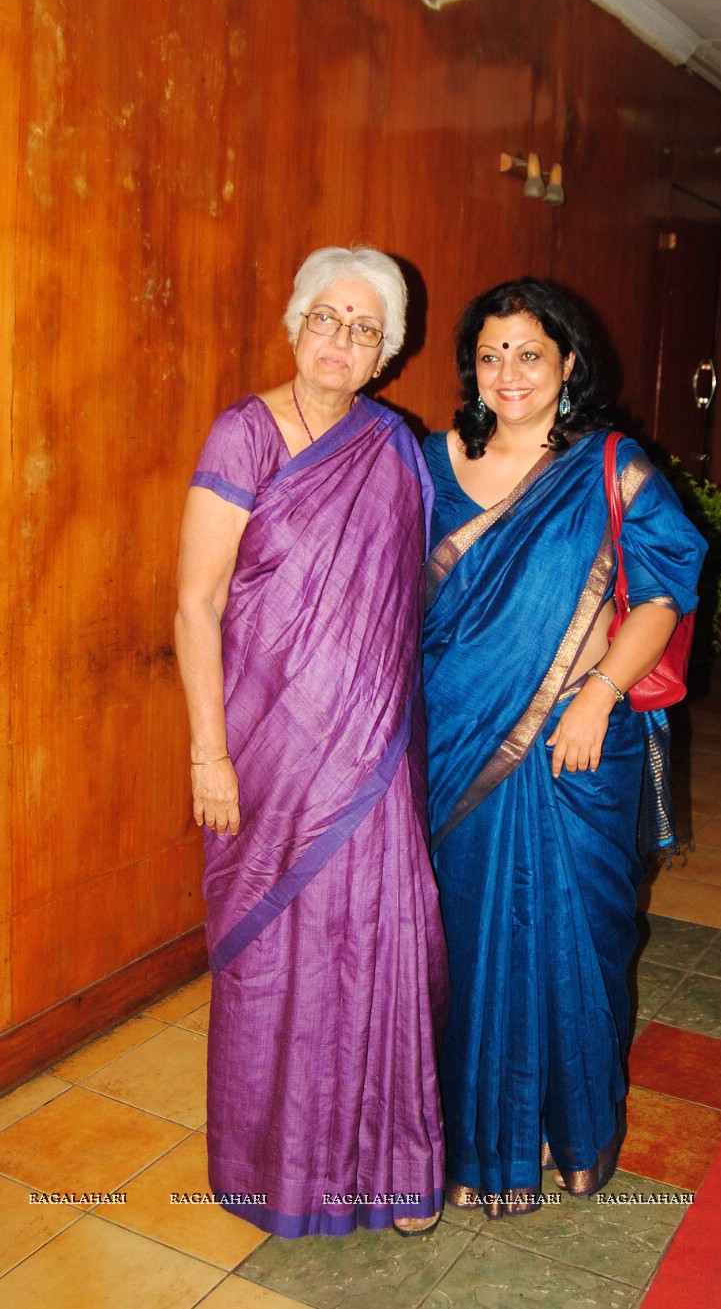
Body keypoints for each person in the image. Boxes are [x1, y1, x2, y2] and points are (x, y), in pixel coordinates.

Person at [174, 246, 447, 1238]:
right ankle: (277, 1170)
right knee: (276, 956)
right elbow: (197, 602)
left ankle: (392, 1162)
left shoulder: (397, 446)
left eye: (365, 327)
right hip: (265, 754)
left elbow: (456, 551)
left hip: (372, 753)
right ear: (295, 324)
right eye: (328, 318)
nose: (342, 340)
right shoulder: (244, 434)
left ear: (386, 354)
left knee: (387, 941)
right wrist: (209, 751)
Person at [422, 278, 707, 1217]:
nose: (508, 372)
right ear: (471, 365)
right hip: (456, 739)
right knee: (467, 942)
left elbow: (662, 592)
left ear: (568, 364)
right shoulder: (430, 463)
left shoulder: (611, 466)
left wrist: (597, 693)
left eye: (529, 353)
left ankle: (576, 1128)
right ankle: (479, 1139)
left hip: (580, 743)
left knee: (583, 936)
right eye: (490, 353)